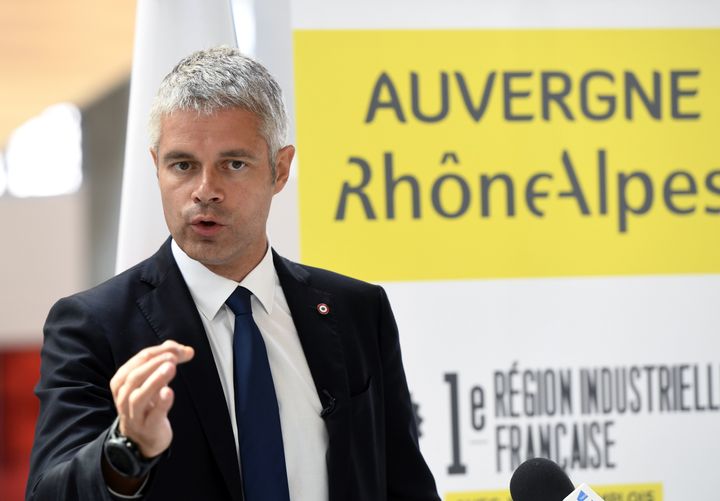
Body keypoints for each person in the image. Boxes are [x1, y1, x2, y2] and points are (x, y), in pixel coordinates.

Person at [26, 47, 440, 501]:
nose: (205, 191)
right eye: (182, 165)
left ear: (279, 170)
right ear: (156, 167)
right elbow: (49, 492)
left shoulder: (357, 311)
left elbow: (405, 484)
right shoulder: (93, 326)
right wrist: (127, 450)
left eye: (233, 164)